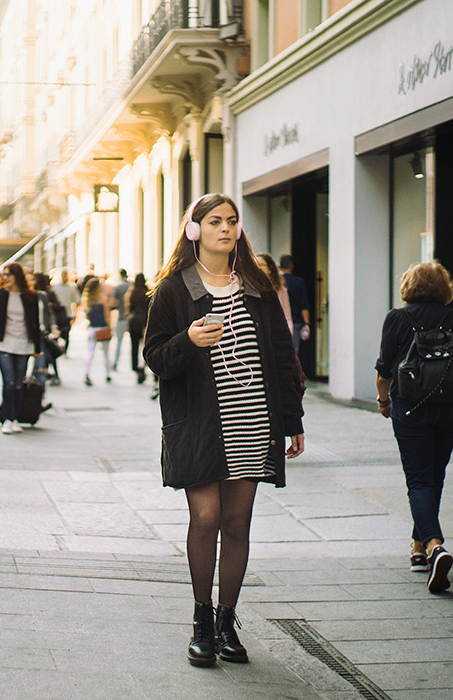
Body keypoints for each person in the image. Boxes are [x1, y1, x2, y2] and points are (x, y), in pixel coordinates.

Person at [144, 193, 304, 667]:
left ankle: (226, 622)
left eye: (232, 221)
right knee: (207, 518)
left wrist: (292, 421)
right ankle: (200, 619)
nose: (226, 229)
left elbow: (282, 357)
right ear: (194, 230)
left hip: (253, 419)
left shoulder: (256, 286)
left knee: (237, 523)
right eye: (215, 221)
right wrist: (188, 340)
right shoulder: (175, 289)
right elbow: (154, 356)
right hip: (199, 423)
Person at [375, 260, 453, 593]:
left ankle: (433, 545)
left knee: (418, 479)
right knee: (434, 474)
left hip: (411, 409)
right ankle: (418, 547)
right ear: (444, 287)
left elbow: (384, 370)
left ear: (409, 285)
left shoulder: (397, 318)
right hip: (452, 412)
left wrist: (384, 402)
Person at [0, 262, 42, 434]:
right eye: (4, 274)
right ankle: (7, 418)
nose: (5, 277)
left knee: (18, 384)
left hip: (24, 344)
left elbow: (35, 323)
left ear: (17, 276)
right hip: (4, 344)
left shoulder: (30, 296)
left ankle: (15, 417)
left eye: (8, 274)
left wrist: (37, 347)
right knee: (9, 381)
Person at [81, 277, 112, 387]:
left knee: (90, 353)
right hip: (102, 328)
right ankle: (108, 374)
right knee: (106, 353)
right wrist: (110, 328)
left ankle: (87, 373)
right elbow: (107, 316)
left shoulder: (86, 300)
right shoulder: (103, 300)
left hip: (92, 329)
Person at [278, 255, 311, 355]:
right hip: (295, 322)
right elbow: (303, 305)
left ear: (279, 266)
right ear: (292, 266)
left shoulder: (277, 282)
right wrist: (307, 324)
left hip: (279, 322)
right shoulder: (299, 282)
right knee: (293, 353)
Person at [126, 273, 151, 385]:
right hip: (145, 322)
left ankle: (136, 367)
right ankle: (144, 366)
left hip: (133, 322)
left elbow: (128, 309)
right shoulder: (148, 292)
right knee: (146, 347)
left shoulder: (131, 293)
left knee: (134, 347)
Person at [257, 253, 292, 331]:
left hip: (275, 333)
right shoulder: (249, 290)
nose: (257, 267)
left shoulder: (281, 290)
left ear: (270, 269)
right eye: (254, 264)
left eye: (261, 265)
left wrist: (288, 334)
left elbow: (287, 317)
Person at [50, 268, 80, 357]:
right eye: (63, 274)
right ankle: (56, 349)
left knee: (66, 333)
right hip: (56, 313)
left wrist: (75, 313)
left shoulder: (72, 287)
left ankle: (65, 351)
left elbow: (76, 301)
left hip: (67, 313)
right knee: (56, 332)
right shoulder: (54, 286)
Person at [110, 269, 130, 370]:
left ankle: (116, 362)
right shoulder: (131, 286)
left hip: (121, 317)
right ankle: (140, 365)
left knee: (118, 341)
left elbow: (113, 303)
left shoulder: (117, 287)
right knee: (137, 344)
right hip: (132, 318)